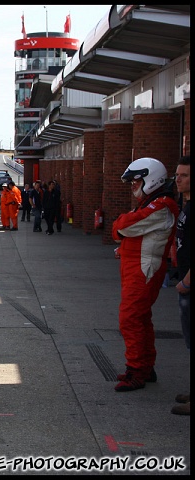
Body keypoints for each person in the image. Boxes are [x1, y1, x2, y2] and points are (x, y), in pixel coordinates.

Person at [112, 157, 179, 392]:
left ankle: (136, 371)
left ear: (150, 179)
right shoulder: (154, 203)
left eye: (135, 181)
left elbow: (123, 226)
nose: (132, 186)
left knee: (130, 319)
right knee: (140, 319)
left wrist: (121, 224)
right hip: (138, 267)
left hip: (144, 269)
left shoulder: (160, 205)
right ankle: (145, 367)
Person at [172, 155, 190, 415]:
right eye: (177, 174)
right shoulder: (185, 204)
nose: (178, 179)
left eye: (184, 175)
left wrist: (186, 282)